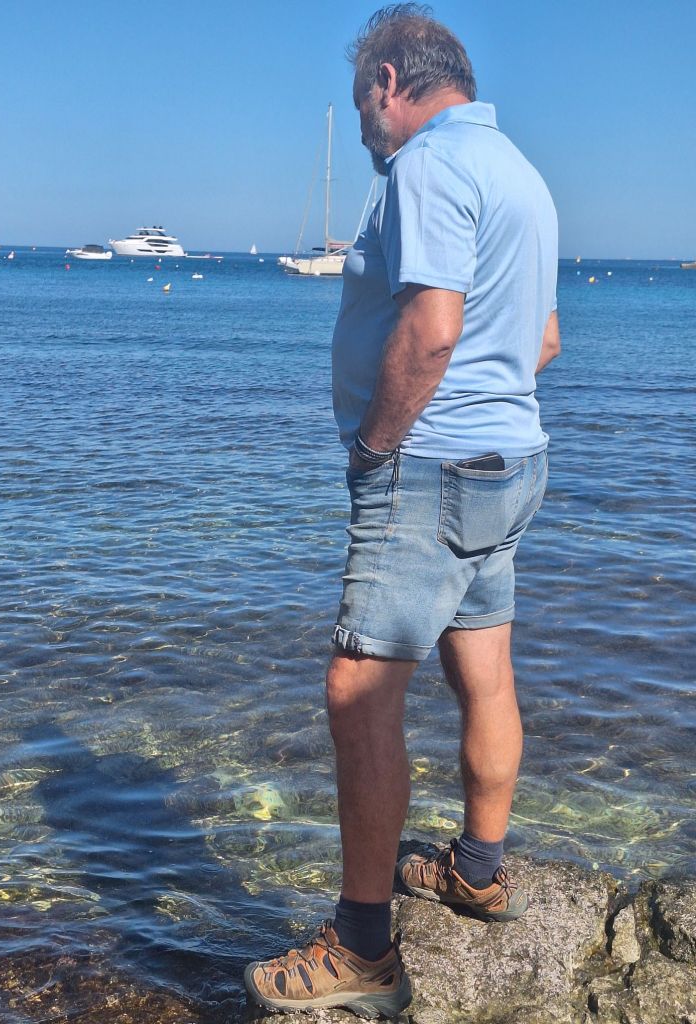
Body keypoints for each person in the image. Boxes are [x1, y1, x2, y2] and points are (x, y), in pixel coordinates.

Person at [244, 4, 560, 1016]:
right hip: (510, 462)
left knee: (358, 690)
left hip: (428, 468)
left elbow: (432, 328)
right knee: (484, 665)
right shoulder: (522, 174)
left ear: (390, 81)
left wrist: (378, 446)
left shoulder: (429, 164)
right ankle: (477, 869)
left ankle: (364, 946)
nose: (366, 135)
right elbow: (543, 338)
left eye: (360, 109)